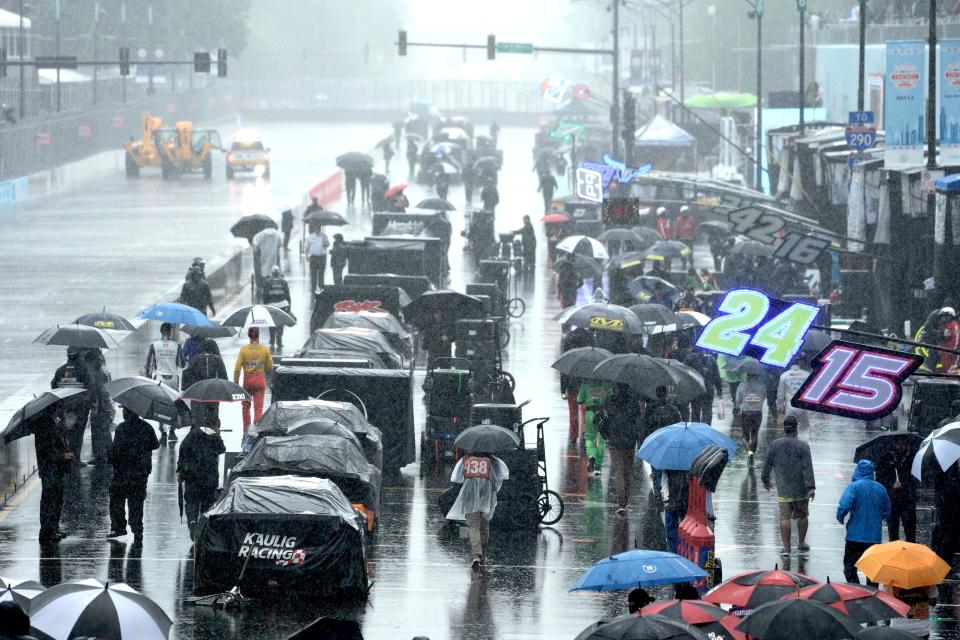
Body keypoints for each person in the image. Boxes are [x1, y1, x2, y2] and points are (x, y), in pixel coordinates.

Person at [761, 415, 816, 557]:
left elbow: (767, 464)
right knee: (803, 516)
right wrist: (811, 487)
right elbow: (808, 467)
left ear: (784, 429)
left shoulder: (775, 445)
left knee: (784, 517)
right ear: (796, 429)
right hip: (801, 489)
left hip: (783, 489)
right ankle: (801, 543)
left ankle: (786, 548)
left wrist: (765, 479)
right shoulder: (803, 446)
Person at [446, 451, 509, 571]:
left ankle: (476, 555)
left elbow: (456, 478)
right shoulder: (493, 461)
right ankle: (483, 554)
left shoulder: (465, 459)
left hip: (469, 495)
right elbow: (500, 478)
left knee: (473, 526)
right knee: (484, 526)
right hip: (486, 496)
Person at [105, 406, 159, 543]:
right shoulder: (147, 428)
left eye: (124, 410)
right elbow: (155, 445)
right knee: (136, 501)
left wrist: (109, 457)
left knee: (117, 498)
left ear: (128, 412)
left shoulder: (121, 428)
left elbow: (115, 450)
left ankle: (119, 527)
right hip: (140, 472)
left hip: (122, 472)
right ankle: (137, 529)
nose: (122, 412)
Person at [836, 459, 891, 584]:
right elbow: (887, 511)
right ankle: (871, 593)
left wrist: (840, 517)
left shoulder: (853, 487)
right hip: (874, 538)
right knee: (872, 570)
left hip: (854, 536)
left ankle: (856, 589)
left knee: (850, 567)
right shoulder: (881, 488)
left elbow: (844, 506)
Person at [177, 414, 226, 540]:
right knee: (207, 503)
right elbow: (222, 449)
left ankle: (192, 521)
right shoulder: (214, 436)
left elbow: (183, 451)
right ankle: (202, 528)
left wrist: (180, 471)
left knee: (191, 501)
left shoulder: (192, 434)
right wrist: (217, 434)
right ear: (215, 425)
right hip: (209, 477)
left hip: (192, 475)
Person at [33, 403, 72, 542]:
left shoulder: (53, 424)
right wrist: (63, 456)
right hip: (49, 469)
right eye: (60, 409)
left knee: (57, 499)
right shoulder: (45, 426)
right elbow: (47, 450)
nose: (62, 412)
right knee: (50, 501)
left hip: (55, 469)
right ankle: (47, 532)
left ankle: (53, 528)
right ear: (54, 409)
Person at [602, 384, 643, 513]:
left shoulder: (609, 401)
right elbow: (638, 420)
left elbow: (606, 417)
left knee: (618, 472)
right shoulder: (634, 402)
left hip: (614, 440)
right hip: (629, 441)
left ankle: (621, 503)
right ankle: (626, 501)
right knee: (627, 471)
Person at [51, 347, 92, 469]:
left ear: (68, 356)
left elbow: (53, 386)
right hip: (80, 409)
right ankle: (75, 459)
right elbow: (91, 387)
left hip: (64, 408)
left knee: (65, 435)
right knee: (78, 435)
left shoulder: (60, 370)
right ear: (78, 356)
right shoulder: (83, 370)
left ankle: (67, 458)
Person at [641, 385, 683, 498]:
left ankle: (657, 491)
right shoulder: (673, 409)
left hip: (655, 442)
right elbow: (679, 426)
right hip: (669, 442)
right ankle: (670, 494)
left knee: (656, 468)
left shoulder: (650, 408)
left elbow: (645, 425)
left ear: (656, 394)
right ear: (666, 394)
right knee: (669, 469)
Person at [145, 322, 183, 444]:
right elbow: (181, 363)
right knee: (173, 405)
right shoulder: (176, 346)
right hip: (173, 379)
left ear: (161, 332)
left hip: (159, 377)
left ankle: (163, 431)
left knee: (160, 405)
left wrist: (148, 376)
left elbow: (148, 365)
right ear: (170, 332)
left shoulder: (154, 345)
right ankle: (172, 430)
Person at [875, 437, 919, 542]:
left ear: (907, 444)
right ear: (894, 444)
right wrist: (891, 484)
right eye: (898, 443)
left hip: (908, 500)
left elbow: (917, 478)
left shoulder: (913, 458)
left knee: (910, 533)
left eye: (903, 443)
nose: (900, 446)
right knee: (893, 533)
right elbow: (880, 477)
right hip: (892, 500)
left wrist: (903, 484)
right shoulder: (886, 458)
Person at [234, 327, 273, 433]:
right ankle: (256, 430)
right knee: (258, 408)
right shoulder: (264, 349)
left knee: (245, 407)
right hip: (259, 379)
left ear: (249, 336)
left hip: (247, 380)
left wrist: (236, 382)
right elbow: (270, 366)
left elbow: (237, 368)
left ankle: (246, 430)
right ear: (258, 335)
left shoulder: (244, 350)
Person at [182, 338, 228, 425]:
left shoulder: (195, 359)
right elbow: (224, 378)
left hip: (198, 392)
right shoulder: (218, 359)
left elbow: (186, 374)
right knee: (213, 418)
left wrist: (186, 388)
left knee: (197, 420)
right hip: (213, 393)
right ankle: (214, 432)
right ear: (213, 348)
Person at [577, 378, 614, 475]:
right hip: (603, 413)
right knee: (601, 440)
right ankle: (598, 467)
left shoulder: (585, 385)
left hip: (590, 414)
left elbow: (579, 399)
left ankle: (591, 457)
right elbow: (611, 398)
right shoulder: (606, 385)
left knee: (589, 438)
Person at [83, 349, 114, 466]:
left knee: (99, 433)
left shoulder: (98, 374)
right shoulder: (102, 371)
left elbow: (101, 391)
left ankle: (102, 457)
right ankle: (105, 456)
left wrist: (95, 407)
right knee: (103, 432)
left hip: (102, 408)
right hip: (105, 407)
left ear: (92, 361)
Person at [680, 345, 722, 424]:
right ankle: (706, 428)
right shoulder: (711, 359)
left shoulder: (689, 358)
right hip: (708, 389)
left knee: (695, 411)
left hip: (695, 389)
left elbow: (683, 373)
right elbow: (717, 377)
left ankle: (695, 430)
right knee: (707, 410)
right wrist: (719, 391)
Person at [261, 265, 292, 350]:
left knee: (271, 324)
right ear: (279, 273)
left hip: (271, 306)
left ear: (272, 273)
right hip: (282, 306)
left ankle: (272, 341)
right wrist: (289, 307)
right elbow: (288, 296)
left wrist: (265, 306)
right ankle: (279, 341)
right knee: (280, 325)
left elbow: (265, 296)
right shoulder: (283, 282)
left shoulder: (267, 282)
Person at [777, 362, 812, 437]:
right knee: (804, 429)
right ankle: (803, 445)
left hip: (790, 405)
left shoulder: (784, 375)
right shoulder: (807, 374)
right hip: (803, 405)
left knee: (789, 427)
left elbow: (780, 394)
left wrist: (780, 408)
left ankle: (790, 443)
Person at [736, 372, 766, 460]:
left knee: (745, 435)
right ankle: (752, 451)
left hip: (745, 412)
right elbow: (763, 397)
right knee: (754, 434)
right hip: (757, 412)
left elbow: (738, 399)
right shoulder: (762, 386)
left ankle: (748, 451)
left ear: (747, 375)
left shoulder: (741, 385)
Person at [663, 469, 689, 553]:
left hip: (672, 502)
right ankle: (684, 554)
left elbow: (664, 483)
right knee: (685, 534)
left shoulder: (668, 463)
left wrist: (666, 500)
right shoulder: (692, 463)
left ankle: (673, 556)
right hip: (685, 503)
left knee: (671, 536)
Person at [717, 354, 746, 418]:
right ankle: (736, 404)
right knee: (734, 390)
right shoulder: (729, 353)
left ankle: (737, 405)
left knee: (736, 390)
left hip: (738, 374)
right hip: (732, 374)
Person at [305, 225, 330, 292]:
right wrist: (306, 256)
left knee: (321, 273)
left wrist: (326, 243)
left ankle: (321, 286)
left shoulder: (324, 236)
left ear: (320, 229)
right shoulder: (310, 237)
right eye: (316, 229)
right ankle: (313, 287)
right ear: (314, 229)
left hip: (322, 257)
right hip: (313, 257)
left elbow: (328, 244)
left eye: (318, 229)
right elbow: (307, 247)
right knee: (313, 273)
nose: (317, 230)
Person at [938, 307, 960, 372]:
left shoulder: (954, 325)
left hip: (952, 354)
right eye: (943, 316)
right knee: (945, 370)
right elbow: (942, 340)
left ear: (951, 316)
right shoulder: (943, 325)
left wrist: (952, 351)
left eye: (946, 316)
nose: (944, 318)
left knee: (952, 371)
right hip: (944, 353)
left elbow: (956, 340)